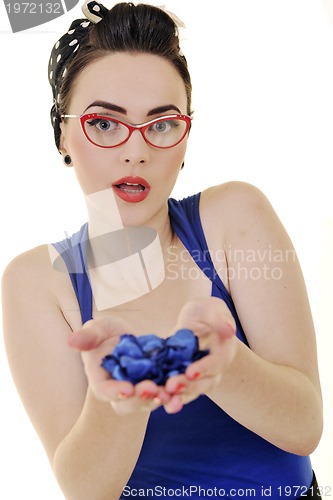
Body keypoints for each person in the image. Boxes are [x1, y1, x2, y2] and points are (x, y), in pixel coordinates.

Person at [1, 1, 323, 498]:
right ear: (63, 133)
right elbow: (86, 489)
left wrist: (223, 364)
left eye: (162, 123)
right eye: (104, 124)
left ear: (185, 138)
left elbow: (305, 427)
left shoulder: (235, 216)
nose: (136, 150)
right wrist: (116, 400)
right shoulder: (36, 282)